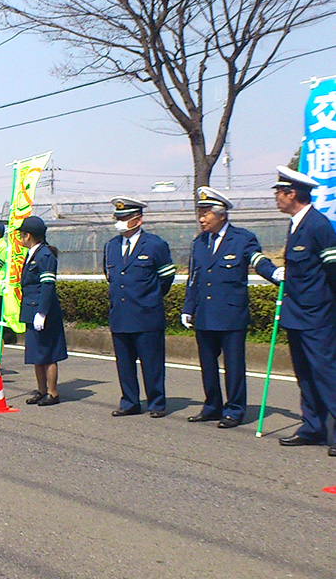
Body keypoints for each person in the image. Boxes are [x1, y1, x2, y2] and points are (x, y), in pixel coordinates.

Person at [181, 187, 279, 428]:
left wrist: (275, 273)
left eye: (206, 213)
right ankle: (212, 406)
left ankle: (234, 409)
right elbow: (194, 278)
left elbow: (257, 260)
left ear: (221, 214)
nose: (202, 219)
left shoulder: (242, 238)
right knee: (207, 364)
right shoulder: (199, 242)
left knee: (234, 365)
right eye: (200, 213)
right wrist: (188, 307)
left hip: (231, 314)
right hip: (204, 313)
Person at [272, 166, 336, 456]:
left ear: (292, 193)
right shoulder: (296, 223)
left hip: (317, 315)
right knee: (305, 375)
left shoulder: (318, 225)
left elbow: (332, 270)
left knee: (326, 373)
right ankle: (312, 427)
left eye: (279, 193)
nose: (276, 198)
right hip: (296, 313)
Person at [103, 196, 176, 418]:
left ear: (138, 219)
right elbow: (111, 277)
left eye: (125, 218)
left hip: (146, 314)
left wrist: (149, 297)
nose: (120, 222)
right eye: (118, 218)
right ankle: (129, 401)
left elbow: (166, 278)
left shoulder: (155, 245)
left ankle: (156, 402)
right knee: (124, 363)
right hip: (120, 314)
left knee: (152, 363)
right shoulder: (111, 246)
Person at [18, 216, 67, 406]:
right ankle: (41, 390)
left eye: (22, 234)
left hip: (42, 312)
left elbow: (47, 286)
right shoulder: (32, 254)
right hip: (31, 309)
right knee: (36, 354)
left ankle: (53, 392)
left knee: (48, 354)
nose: (20, 238)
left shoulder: (45, 256)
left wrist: (42, 312)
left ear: (28, 235)